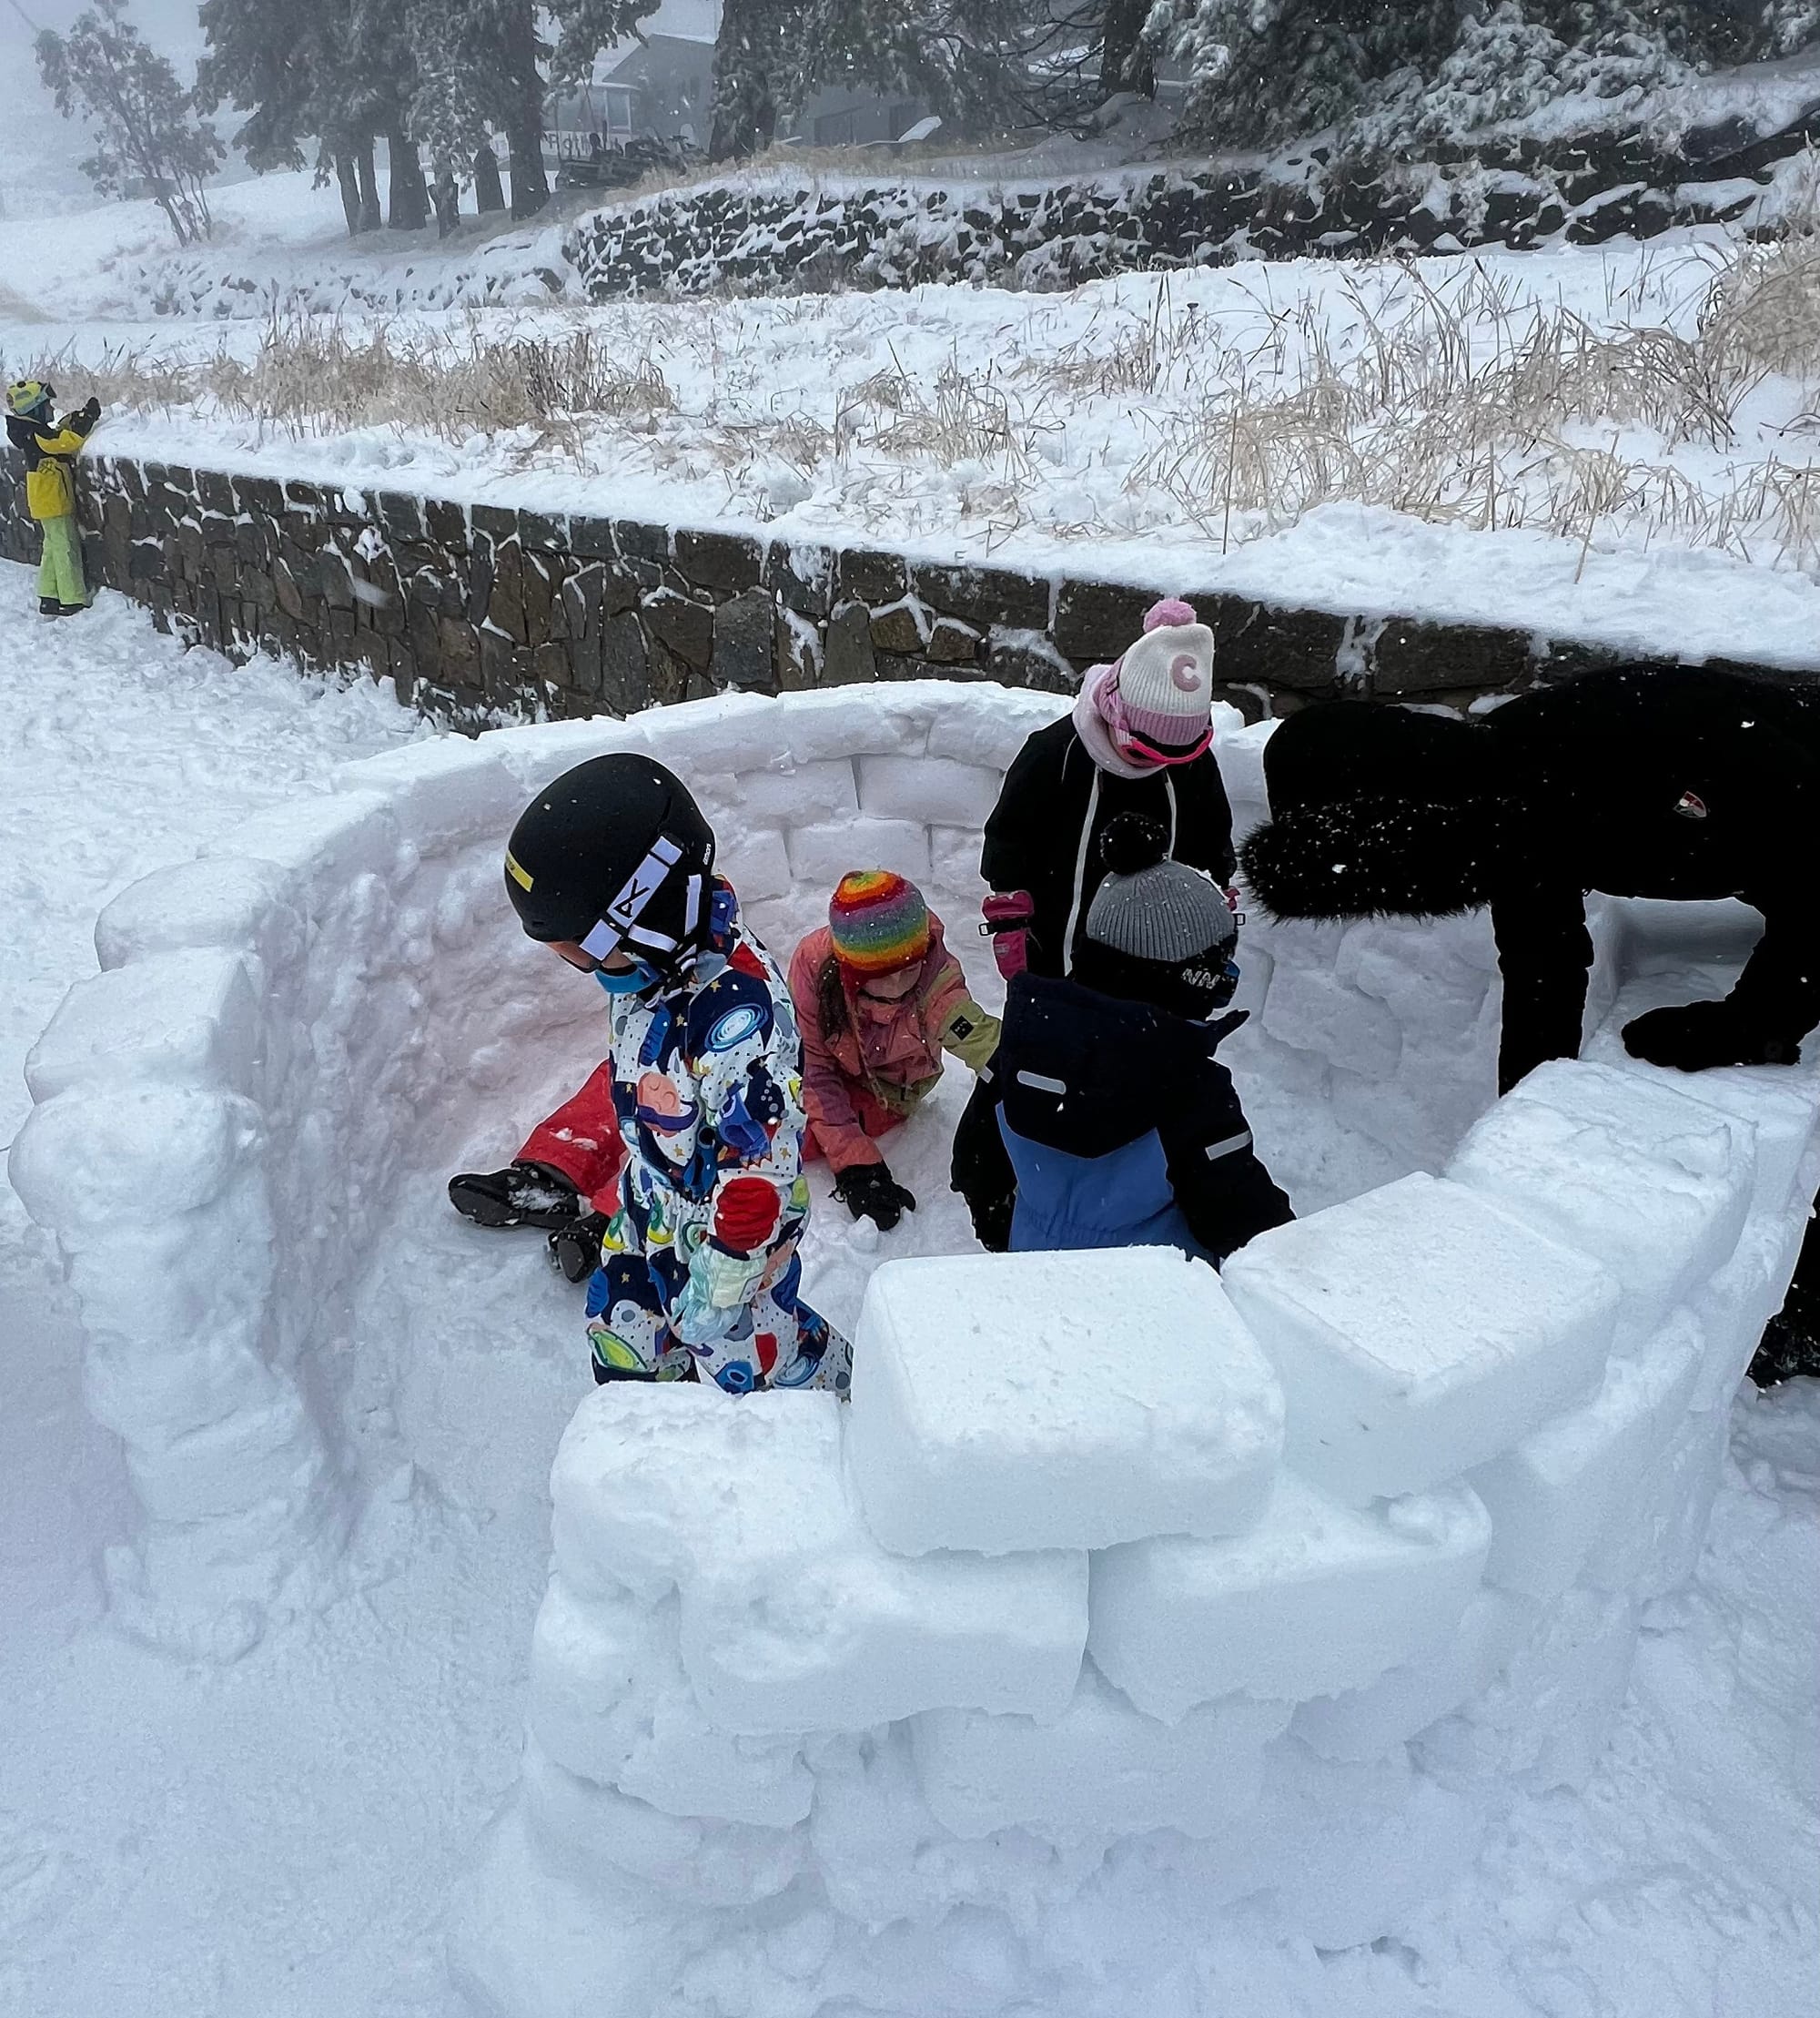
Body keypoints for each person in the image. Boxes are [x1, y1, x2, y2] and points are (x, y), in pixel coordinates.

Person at [1239, 664, 1820, 1091]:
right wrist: (1528, 1112)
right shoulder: (1499, 815)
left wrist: (1750, 1026)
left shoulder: (1625, 749)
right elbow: (1543, 966)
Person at [486, 751, 848, 1394]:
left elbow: (759, 1165)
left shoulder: (739, 1017)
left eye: (581, 949)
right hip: (652, 1203)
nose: (581, 966)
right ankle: (663, 1438)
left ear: (641, 912)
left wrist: (727, 1272)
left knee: (760, 1358)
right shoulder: (649, 965)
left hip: (735, 1233)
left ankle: (851, 1408)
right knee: (623, 1333)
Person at [954, 815, 1292, 1262]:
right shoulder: (1192, 1089)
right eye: (1220, 961)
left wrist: (1015, 1233)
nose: (1227, 974)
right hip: (1151, 1296)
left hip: (1032, 1267)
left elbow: (975, 1164)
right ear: (1186, 976)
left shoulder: (1018, 1047)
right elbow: (1250, 1230)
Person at [981, 596, 1236, 981]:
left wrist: (1215, 892)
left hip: (1155, 948)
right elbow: (1009, 834)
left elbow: (1211, 837)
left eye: (1174, 754)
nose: (1155, 763)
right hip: (1056, 941)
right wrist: (1010, 915)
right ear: (1114, 712)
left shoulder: (1192, 766)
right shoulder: (1055, 753)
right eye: (1142, 750)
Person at [786, 870, 1000, 1232]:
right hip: (827, 1072)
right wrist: (858, 1165)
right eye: (884, 973)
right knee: (766, 1110)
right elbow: (814, 1069)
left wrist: (1024, 1070)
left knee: (790, 1136)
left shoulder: (936, 980)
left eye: (910, 966)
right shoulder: (812, 964)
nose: (900, 983)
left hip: (886, 1092)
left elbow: (978, 1037)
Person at [5, 379, 100, 617]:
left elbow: (56, 435)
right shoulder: (36, 433)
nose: (51, 409)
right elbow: (64, 442)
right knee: (66, 547)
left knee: (52, 546)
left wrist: (70, 420)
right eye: (46, 404)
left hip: (45, 498)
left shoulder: (29, 432)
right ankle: (72, 598)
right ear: (34, 409)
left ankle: (48, 596)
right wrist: (86, 421)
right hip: (53, 499)